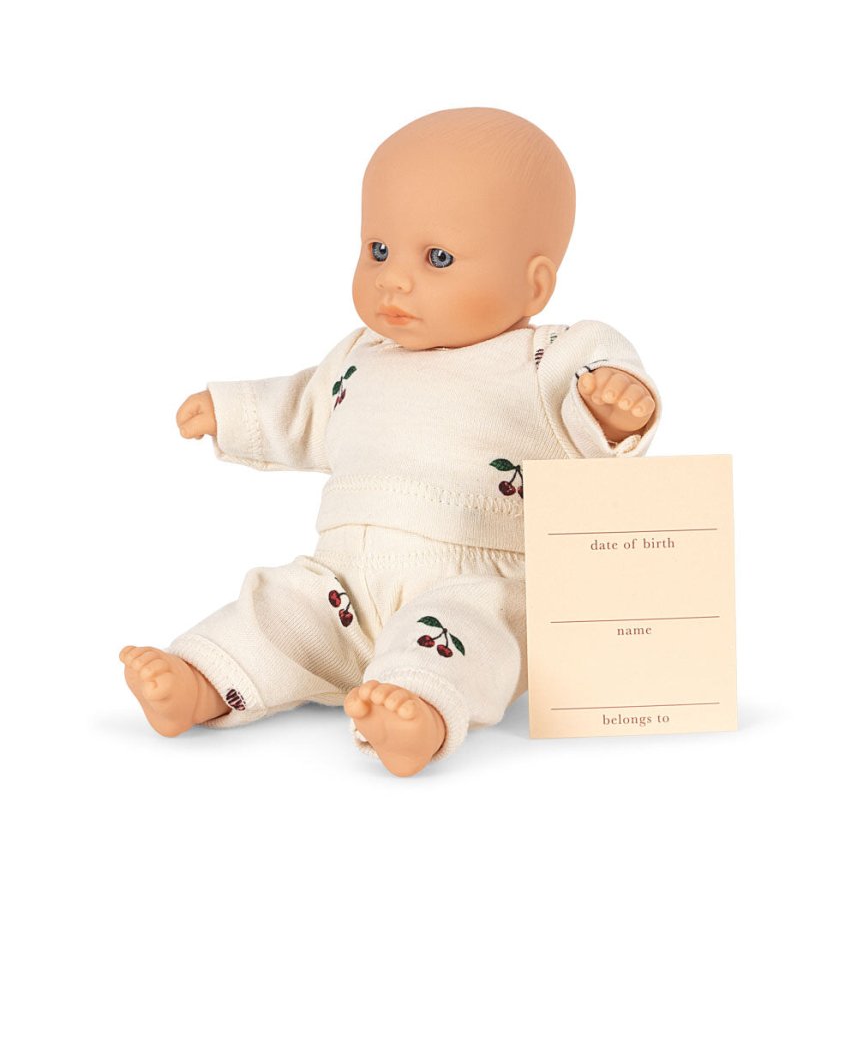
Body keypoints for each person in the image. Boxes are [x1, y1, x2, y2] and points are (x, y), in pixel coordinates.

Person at [120, 107, 660, 776]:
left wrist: (612, 410)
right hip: (340, 581)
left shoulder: (545, 358)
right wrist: (232, 413)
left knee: (466, 638)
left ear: (534, 284)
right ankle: (200, 681)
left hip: (473, 577)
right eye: (378, 250)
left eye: (438, 258)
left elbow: (592, 413)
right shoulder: (360, 356)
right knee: (278, 610)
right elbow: (302, 407)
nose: (393, 278)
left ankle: (418, 716)